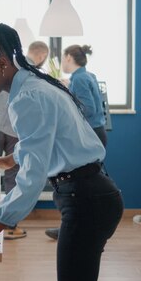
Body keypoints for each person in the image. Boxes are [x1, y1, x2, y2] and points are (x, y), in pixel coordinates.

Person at [0, 24, 124, 281]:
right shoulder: (33, 85)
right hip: (94, 194)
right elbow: (43, 140)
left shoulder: (26, 98)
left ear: (2, 64)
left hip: (86, 200)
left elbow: (32, 175)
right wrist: (9, 159)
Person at [0, 40, 50, 240]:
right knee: (12, 176)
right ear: (42, 56)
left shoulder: (17, 78)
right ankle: (9, 225)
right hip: (12, 129)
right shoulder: (31, 75)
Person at [45, 44, 108, 240]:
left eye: (63, 58)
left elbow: (86, 108)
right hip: (98, 131)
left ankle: (73, 226)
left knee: (78, 185)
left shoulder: (79, 79)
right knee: (88, 184)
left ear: (70, 57)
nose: (62, 62)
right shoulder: (87, 76)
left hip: (89, 134)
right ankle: (79, 225)